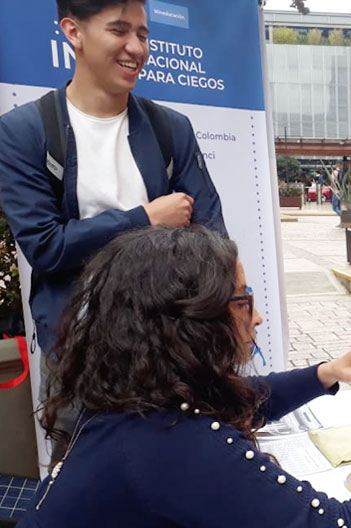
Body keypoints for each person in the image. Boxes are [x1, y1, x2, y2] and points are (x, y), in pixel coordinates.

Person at [18, 225, 351, 528]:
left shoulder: (135, 401)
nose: (257, 318)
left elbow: (239, 398)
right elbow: (347, 524)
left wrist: (324, 373)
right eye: (242, 301)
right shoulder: (175, 448)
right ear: (192, 321)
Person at [0, 0, 225, 459]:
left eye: (142, 34)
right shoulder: (24, 132)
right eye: (119, 31)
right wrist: (144, 220)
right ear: (73, 32)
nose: (135, 47)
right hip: (81, 361)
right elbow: (45, 247)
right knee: (87, 495)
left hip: (170, 354)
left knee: (179, 482)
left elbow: (213, 236)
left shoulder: (169, 128)